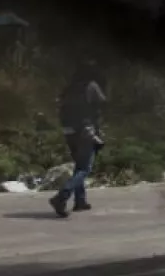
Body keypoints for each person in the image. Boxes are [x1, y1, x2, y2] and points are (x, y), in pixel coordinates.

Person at [50, 60, 108, 218]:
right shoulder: (91, 86)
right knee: (85, 168)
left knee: (79, 165)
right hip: (85, 131)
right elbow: (101, 104)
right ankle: (62, 196)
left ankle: (80, 201)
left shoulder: (69, 88)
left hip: (69, 131)